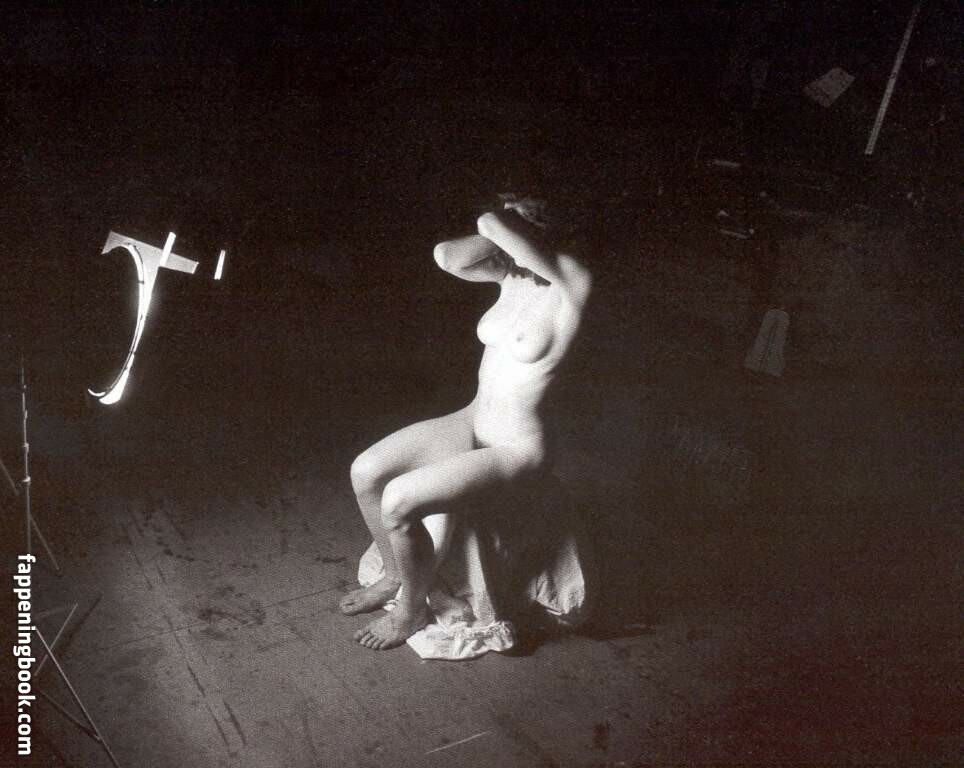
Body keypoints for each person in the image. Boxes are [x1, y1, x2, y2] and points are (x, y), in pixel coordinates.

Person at [340, 196, 592, 652]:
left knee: (398, 502)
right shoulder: (513, 274)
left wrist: (506, 220)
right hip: (473, 417)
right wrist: (506, 232)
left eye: (523, 219)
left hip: (518, 446)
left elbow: (490, 221)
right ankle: (394, 576)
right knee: (366, 471)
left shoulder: (573, 281)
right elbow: (447, 256)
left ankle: (411, 608)